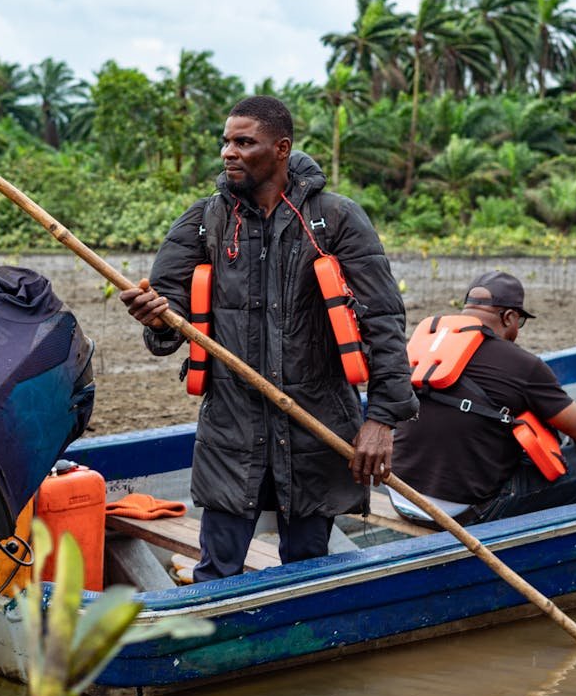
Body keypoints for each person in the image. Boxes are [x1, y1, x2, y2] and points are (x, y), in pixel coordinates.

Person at [120, 95, 417, 581]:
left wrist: (382, 419)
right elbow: (167, 312)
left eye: (243, 142)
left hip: (315, 425)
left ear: (281, 148)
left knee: (308, 570)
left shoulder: (337, 220)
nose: (228, 153)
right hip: (231, 430)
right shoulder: (204, 220)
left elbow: (383, 320)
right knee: (216, 572)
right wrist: (154, 317)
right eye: (225, 142)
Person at [390, 271, 576, 526]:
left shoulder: (425, 348)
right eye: (519, 322)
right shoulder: (523, 365)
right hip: (459, 512)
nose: (518, 331)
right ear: (509, 317)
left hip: (401, 496)